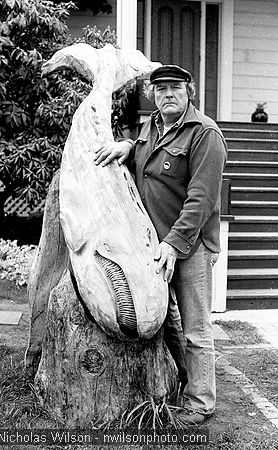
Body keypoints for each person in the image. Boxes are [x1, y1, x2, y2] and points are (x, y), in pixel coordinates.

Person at [94, 65, 227, 426]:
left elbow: (201, 200)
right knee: (165, 318)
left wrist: (173, 244)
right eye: (161, 88)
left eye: (176, 88)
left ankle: (201, 403)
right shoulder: (150, 127)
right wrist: (127, 147)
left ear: (190, 93)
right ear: (152, 94)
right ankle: (182, 381)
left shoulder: (204, 134)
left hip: (188, 245)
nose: (168, 94)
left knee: (195, 327)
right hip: (150, 244)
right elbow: (145, 159)